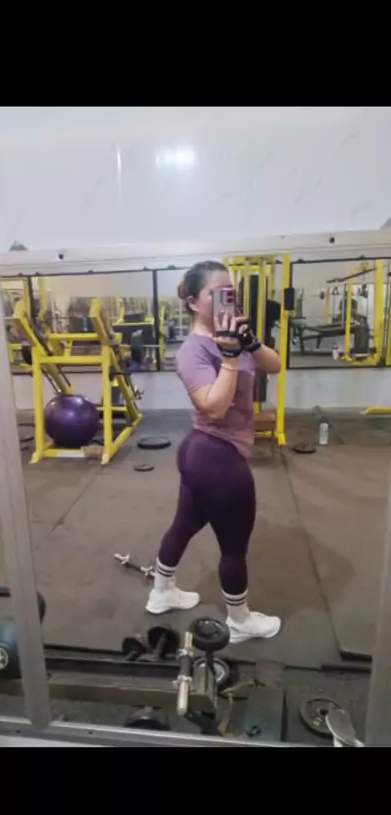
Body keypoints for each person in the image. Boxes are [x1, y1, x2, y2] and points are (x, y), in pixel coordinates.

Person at [146, 261, 282, 643]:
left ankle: (162, 592)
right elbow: (215, 408)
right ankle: (239, 622)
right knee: (234, 547)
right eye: (217, 294)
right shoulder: (192, 351)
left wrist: (250, 342)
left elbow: (275, 366)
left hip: (203, 455)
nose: (228, 299)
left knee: (184, 525)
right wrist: (230, 356)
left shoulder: (234, 333)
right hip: (216, 458)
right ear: (193, 302)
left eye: (231, 292)